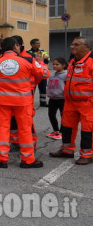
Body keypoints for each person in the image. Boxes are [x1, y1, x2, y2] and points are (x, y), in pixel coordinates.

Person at [0, 37, 48, 169]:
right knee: (25, 130)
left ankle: (1, 158)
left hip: (2, 101)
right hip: (22, 101)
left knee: (3, 129)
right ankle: (27, 160)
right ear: (16, 46)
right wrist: (41, 63)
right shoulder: (27, 60)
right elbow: (44, 73)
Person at [49, 37, 93, 165]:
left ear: (87, 47)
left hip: (87, 103)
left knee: (87, 130)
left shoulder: (91, 62)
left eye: (76, 45)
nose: (72, 47)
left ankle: (87, 154)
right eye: (72, 44)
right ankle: (67, 150)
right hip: (70, 102)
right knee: (67, 127)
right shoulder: (73, 61)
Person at [46, 58, 67, 140]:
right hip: (52, 98)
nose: (54, 66)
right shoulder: (53, 74)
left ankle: (62, 132)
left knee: (63, 116)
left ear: (63, 65)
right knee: (51, 114)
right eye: (54, 64)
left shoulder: (66, 74)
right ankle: (56, 130)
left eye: (57, 64)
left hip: (62, 99)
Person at [27, 38, 50, 107]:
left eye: (39, 43)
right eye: (37, 43)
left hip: (42, 72)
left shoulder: (42, 51)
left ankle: (43, 102)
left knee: (43, 88)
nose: (39, 44)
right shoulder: (28, 52)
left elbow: (47, 58)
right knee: (32, 88)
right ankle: (30, 102)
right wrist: (40, 57)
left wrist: (35, 57)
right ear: (32, 44)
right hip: (33, 73)